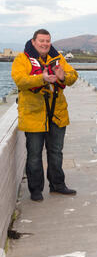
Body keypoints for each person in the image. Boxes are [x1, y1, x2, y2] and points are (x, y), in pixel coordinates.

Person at [11, 29, 78, 202]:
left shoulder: (58, 58)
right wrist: (42, 78)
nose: (45, 44)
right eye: (41, 40)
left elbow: (73, 76)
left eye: (47, 41)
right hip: (33, 115)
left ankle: (57, 185)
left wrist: (63, 77)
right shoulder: (21, 59)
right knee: (34, 154)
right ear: (33, 42)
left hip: (57, 113)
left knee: (56, 152)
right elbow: (20, 80)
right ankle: (35, 189)